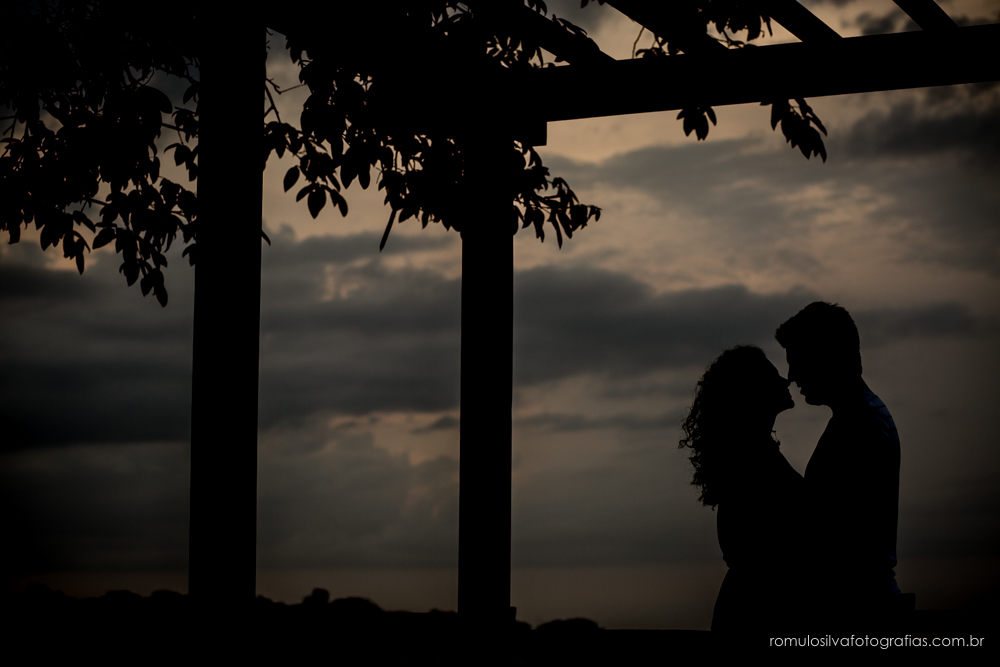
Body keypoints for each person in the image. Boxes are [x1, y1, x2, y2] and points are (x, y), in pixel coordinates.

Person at [775, 302, 901, 626]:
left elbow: (833, 525)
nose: (791, 375)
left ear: (828, 355)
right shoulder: (859, 417)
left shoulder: (860, 424)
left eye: (798, 360)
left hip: (857, 610)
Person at [679, 345, 805, 637]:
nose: (785, 381)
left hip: (755, 610)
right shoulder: (751, 459)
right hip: (758, 616)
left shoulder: (752, 454)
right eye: (774, 377)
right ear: (753, 392)